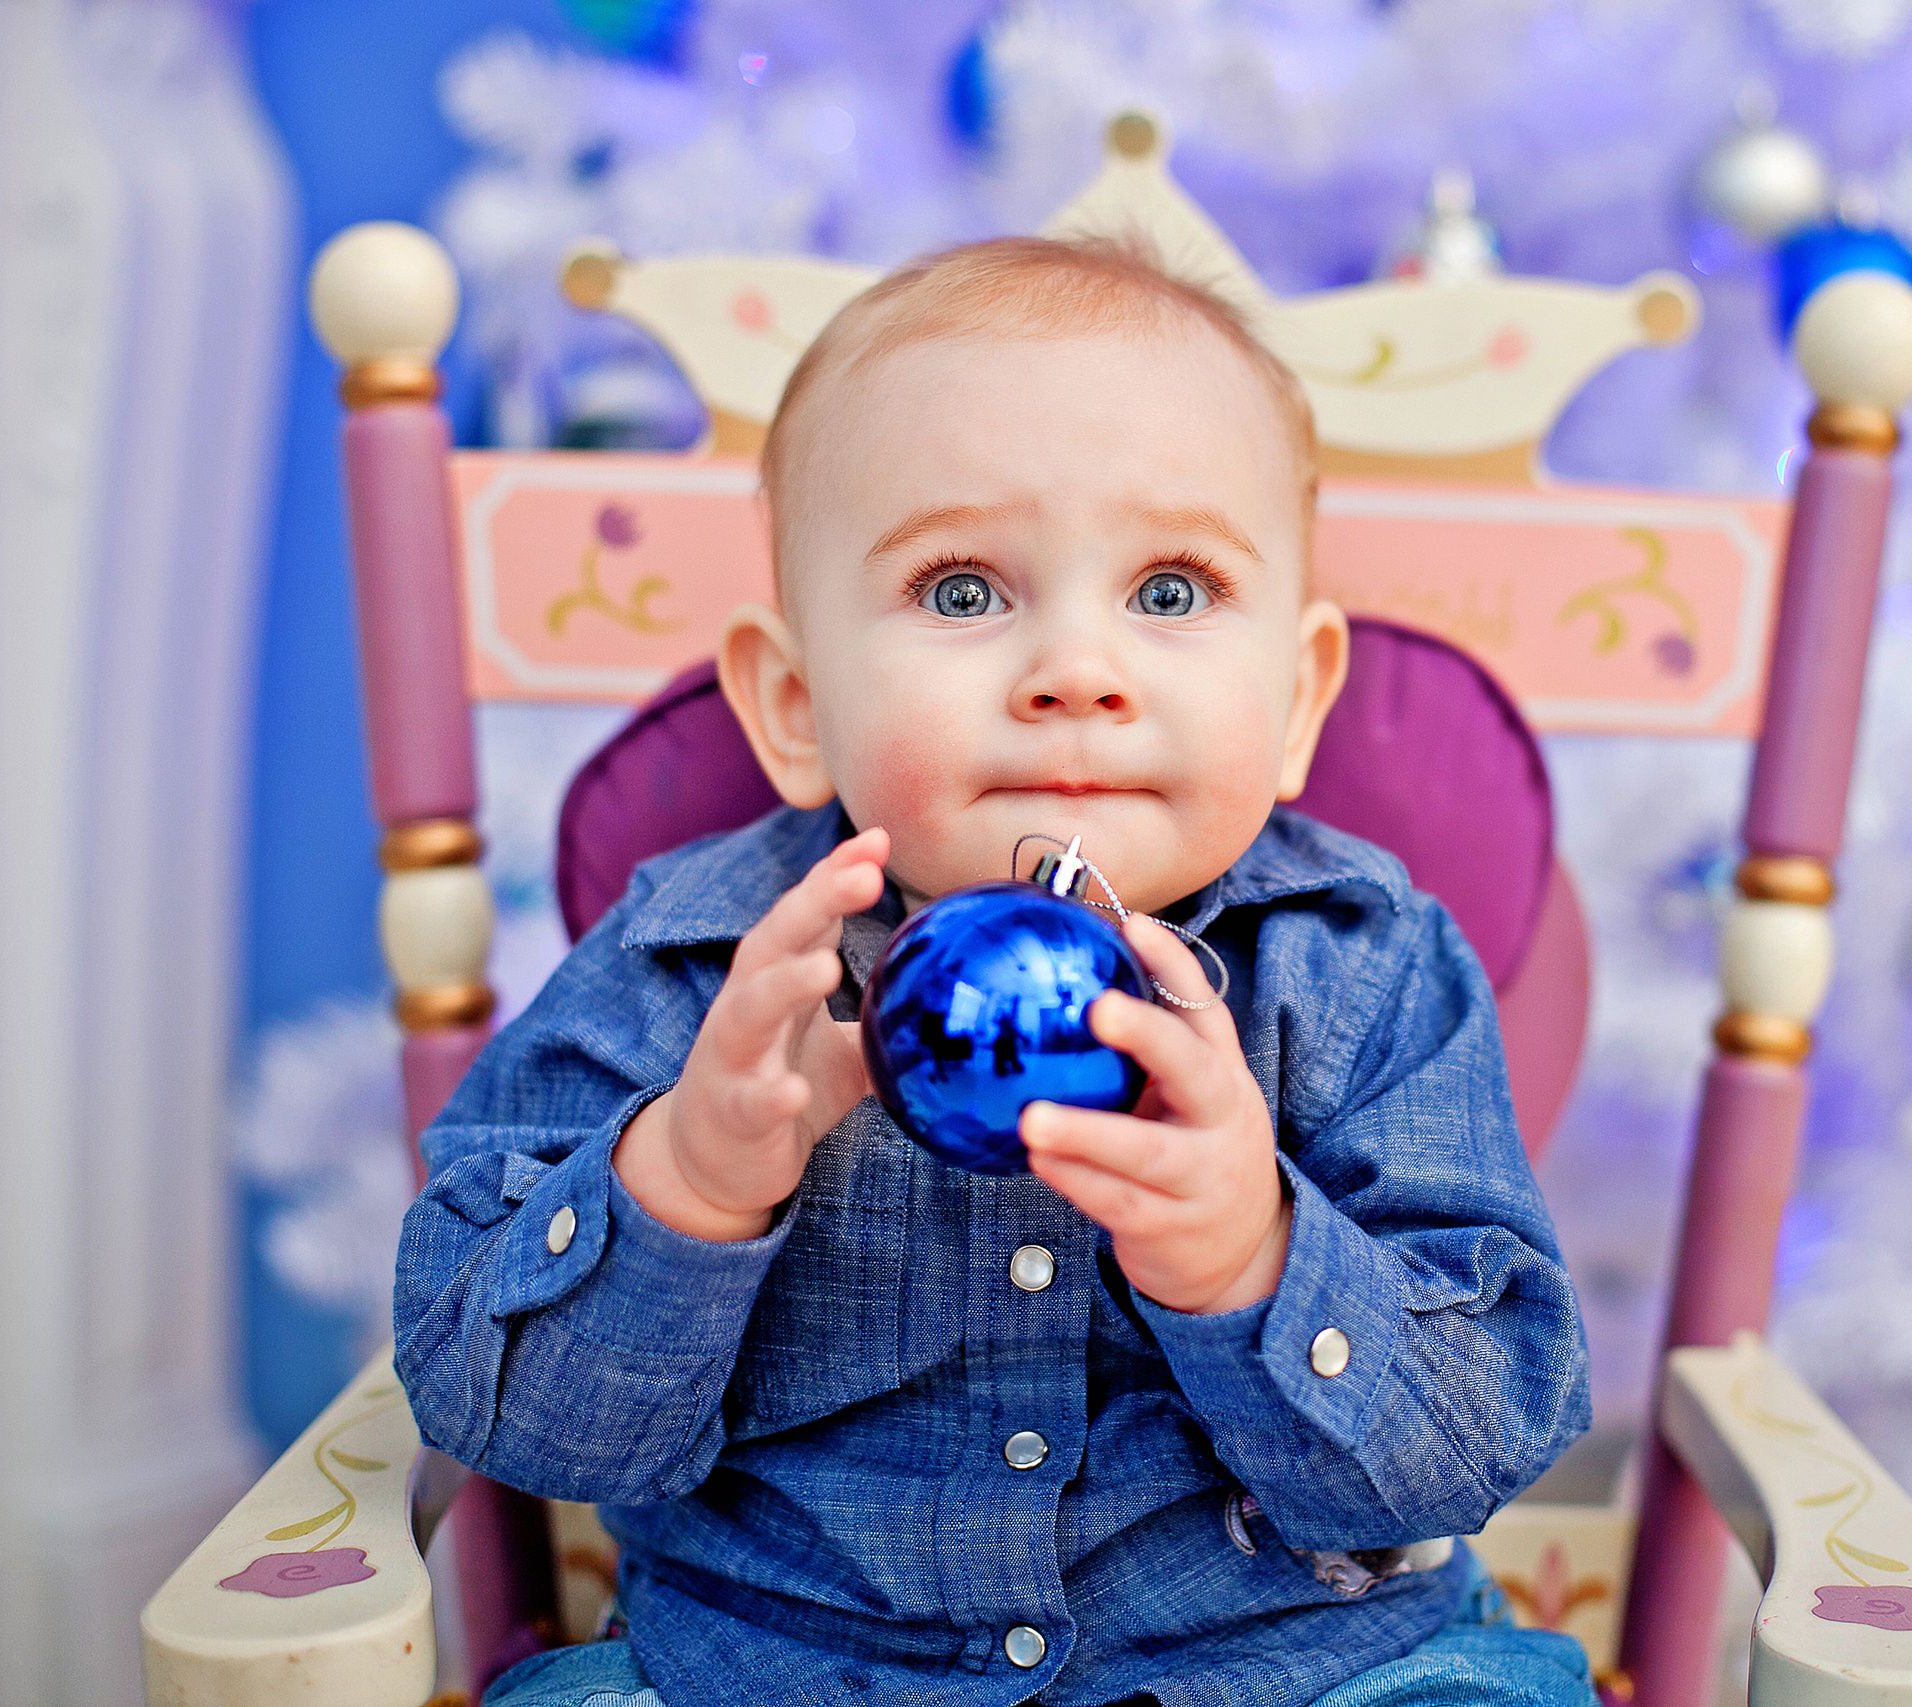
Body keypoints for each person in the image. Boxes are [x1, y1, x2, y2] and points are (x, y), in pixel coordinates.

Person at [394, 234, 1596, 1707]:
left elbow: (1485, 1431)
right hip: (782, 1672)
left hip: (1293, 1668)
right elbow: (501, 1412)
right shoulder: (699, 972)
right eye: (962, 591)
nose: (1076, 668)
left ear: (1295, 702)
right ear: (793, 702)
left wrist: (1251, 1258)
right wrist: (685, 1187)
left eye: (1170, 589)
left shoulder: (1357, 967)